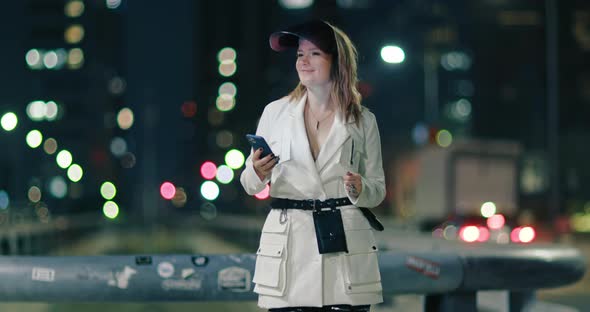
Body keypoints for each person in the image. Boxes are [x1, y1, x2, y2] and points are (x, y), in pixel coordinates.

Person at [240, 20, 386, 312]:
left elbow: (378, 189)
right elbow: (248, 182)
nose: (303, 61)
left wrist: (359, 188)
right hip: (288, 248)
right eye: (299, 54)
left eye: (315, 53)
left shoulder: (363, 120)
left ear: (337, 61)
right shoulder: (276, 112)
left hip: (344, 250)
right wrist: (257, 171)